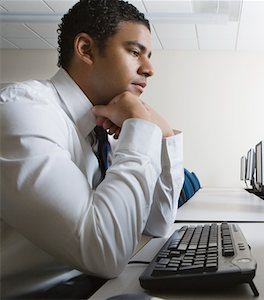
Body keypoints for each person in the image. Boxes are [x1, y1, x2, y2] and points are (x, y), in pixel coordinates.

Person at [0, 0, 184, 298]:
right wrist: (140, 124)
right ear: (85, 49)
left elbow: (159, 223)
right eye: (135, 52)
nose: (149, 69)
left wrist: (161, 134)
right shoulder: (22, 112)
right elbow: (105, 253)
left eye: (148, 56)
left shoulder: (108, 126)